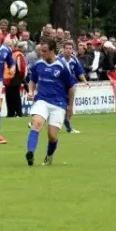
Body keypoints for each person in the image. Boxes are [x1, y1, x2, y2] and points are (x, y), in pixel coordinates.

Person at [25, 39, 75, 167]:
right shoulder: (38, 65)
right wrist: (31, 91)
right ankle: (30, 153)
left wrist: (70, 107)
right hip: (42, 100)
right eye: (41, 51)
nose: (42, 53)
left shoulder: (62, 66)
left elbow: (71, 88)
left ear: (52, 51)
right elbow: (32, 80)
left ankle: (49, 156)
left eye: (45, 51)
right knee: (36, 124)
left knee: (52, 136)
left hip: (58, 104)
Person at [57, 41, 88, 134]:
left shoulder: (74, 60)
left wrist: (85, 81)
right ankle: (68, 128)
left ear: (72, 50)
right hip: (60, 87)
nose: (68, 50)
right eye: (66, 48)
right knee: (61, 107)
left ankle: (68, 127)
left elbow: (79, 72)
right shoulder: (58, 60)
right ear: (63, 50)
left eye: (70, 48)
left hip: (70, 87)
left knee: (68, 108)